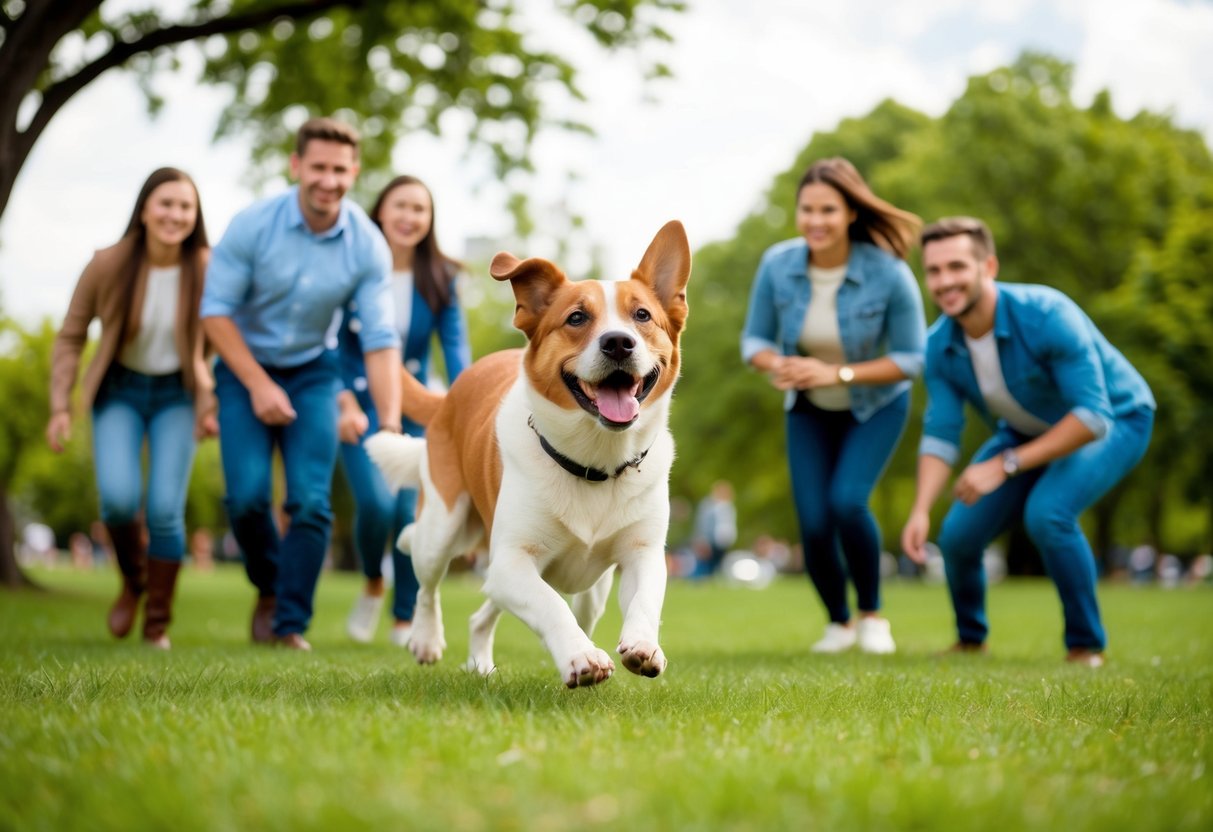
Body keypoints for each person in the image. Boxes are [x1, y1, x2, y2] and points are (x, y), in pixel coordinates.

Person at [900, 217, 1155, 667]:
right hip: (1024, 434)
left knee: (1048, 513)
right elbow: (941, 433)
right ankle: (970, 640)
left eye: (957, 266)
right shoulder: (938, 346)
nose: (945, 282)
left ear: (989, 266)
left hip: (1117, 419)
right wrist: (920, 509)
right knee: (957, 535)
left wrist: (1004, 465)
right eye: (934, 271)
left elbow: (1093, 415)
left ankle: (1085, 646)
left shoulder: (1047, 314)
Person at [201, 117, 402, 651]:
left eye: (340, 170)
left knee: (310, 501)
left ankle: (289, 624)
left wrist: (389, 424)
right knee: (245, 499)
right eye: (318, 167)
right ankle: (269, 588)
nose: (328, 180)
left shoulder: (366, 245)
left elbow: (381, 339)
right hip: (245, 368)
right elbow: (215, 314)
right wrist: (259, 386)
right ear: (296, 166)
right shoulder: (253, 225)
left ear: (353, 172)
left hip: (315, 371)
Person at [741, 157, 926, 654]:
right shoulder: (778, 265)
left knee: (848, 501)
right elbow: (753, 338)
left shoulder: (888, 273)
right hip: (809, 407)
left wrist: (837, 372)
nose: (816, 220)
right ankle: (839, 623)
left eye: (828, 209)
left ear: (850, 213)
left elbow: (911, 358)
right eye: (807, 209)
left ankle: (872, 615)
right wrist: (775, 363)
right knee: (814, 520)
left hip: (875, 405)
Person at [47, 167, 215, 648]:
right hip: (118, 390)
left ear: (195, 215)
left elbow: (224, 336)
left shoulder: (207, 266)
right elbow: (71, 335)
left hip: (176, 395)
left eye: (185, 207)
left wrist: (209, 399)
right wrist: (60, 405)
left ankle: (157, 621)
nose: (175, 215)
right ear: (143, 209)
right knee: (118, 498)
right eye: (165, 203)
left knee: (165, 508)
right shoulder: (108, 263)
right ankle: (132, 584)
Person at [336, 175, 471, 646]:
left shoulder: (442, 278)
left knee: (409, 511)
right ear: (379, 212)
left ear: (429, 220)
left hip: (419, 402)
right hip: (358, 401)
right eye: (400, 206)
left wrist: (468, 398)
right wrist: (340, 396)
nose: (409, 217)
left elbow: (456, 347)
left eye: (420, 209)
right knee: (374, 504)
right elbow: (331, 342)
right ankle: (373, 579)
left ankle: (403, 614)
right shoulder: (351, 268)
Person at [691, 480, 738, 577]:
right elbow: (702, 524)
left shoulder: (728, 506)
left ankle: (714, 577)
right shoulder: (708, 505)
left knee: (719, 561)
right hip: (709, 540)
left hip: (723, 540)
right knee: (706, 562)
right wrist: (701, 540)